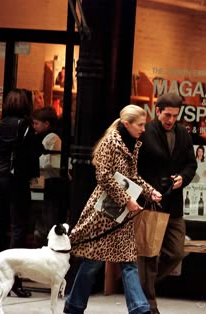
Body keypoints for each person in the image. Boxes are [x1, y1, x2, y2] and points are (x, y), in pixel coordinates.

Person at [64, 105, 162, 314]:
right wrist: (127, 200)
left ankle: (140, 309)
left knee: (128, 262)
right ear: (127, 124)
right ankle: (74, 306)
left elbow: (132, 177)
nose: (143, 129)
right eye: (140, 124)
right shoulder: (111, 142)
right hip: (105, 212)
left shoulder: (133, 143)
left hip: (122, 214)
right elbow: (104, 176)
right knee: (92, 263)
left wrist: (149, 192)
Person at [137, 93, 197, 314]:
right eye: (167, 115)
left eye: (175, 115)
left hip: (174, 204)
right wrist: (147, 190)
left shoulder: (183, 134)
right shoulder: (146, 132)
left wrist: (183, 177)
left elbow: (191, 164)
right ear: (157, 111)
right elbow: (136, 168)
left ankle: (142, 284)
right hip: (151, 202)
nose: (171, 119)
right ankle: (149, 305)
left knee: (176, 252)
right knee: (149, 256)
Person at [0, 88, 40, 297]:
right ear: (25, 105)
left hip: (1, 178)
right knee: (19, 229)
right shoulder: (25, 125)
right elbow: (31, 154)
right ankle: (12, 280)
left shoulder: (2, 124)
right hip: (17, 180)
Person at [32, 106, 62, 245]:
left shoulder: (52, 138)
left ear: (46, 124)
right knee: (44, 214)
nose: (34, 126)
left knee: (49, 215)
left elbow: (49, 161)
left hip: (52, 181)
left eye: (36, 123)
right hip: (44, 180)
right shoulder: (41, 137)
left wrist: (30, 160)